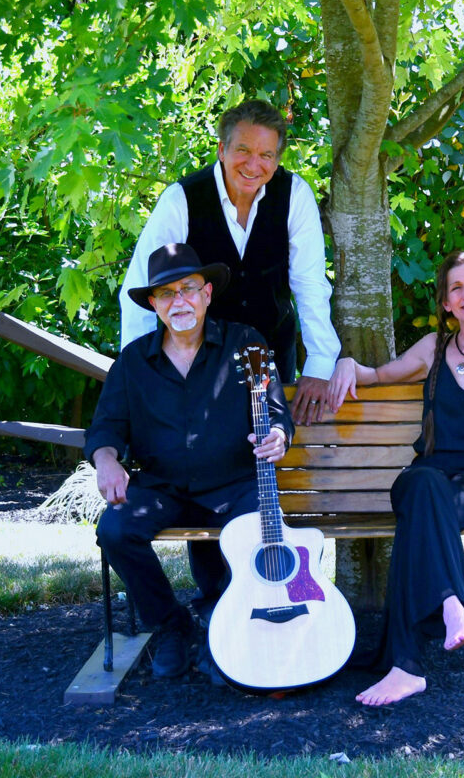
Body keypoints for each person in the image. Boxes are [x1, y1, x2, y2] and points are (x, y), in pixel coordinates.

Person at [327, 251, 464, 706]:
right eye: (455, 288)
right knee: (423, 486)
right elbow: (375, 376)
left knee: (419, 515)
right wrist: (350, 365)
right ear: (446, 303)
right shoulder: (432, 348)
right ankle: (452, 604)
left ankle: (407, 666)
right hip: (427, 476)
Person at [87, 243, 294, 680]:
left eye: (187, 289)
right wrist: (106, 461)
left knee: (260, 529)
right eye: (166, 294)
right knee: (115, 529)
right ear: (154, 304)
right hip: (162, 488)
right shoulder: (133, 362)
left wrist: (277, 435)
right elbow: (105, 429)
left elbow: (276, 413)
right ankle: (171, 625)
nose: (178, 301)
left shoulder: (245, 343)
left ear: (207, 294)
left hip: (234, 485)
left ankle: (229, 626)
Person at [119, 99, 340, 425]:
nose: (254, 164)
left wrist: (320, 365)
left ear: (277, 159)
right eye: (243, 151)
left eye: (266, 155)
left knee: (271, 457)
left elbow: (310, 286)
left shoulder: (294, 195)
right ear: (222, 149)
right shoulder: (181, 200)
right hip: (196, 363)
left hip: (273, 354)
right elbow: (140, 290)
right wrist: (139, 373)